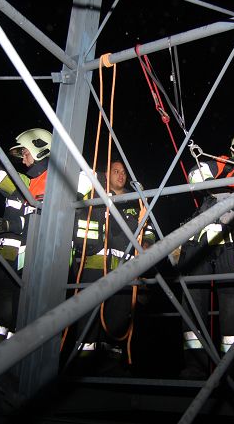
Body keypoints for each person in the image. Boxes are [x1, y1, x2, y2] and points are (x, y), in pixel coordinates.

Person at [69, 159, 156, 376]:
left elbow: (150, 229)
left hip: (125, 273)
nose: (120, 175)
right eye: (115, 171)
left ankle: (112, 368)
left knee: (118, 319)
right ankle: (82, 367)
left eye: (123, 172)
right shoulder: (94, 195)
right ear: (106, 174)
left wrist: (148, 243)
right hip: (94, 267)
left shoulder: (136, 201)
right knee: (88, 317)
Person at [177, 128, 234, 380]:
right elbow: (195, 173)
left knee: (231, 300)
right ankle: (195, 365)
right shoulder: (224, 163)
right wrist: (213, 185)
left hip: (232, 242)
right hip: (199, 242)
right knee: (193, 299)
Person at [0, 128, 53, 345]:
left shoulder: (53, 185)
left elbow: (38, 221)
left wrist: (7, 224)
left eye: (25, 152)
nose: (23, 158)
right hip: (6, 258)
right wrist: (20, 188)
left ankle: (8, 356)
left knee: (17, 314)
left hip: (28, 260)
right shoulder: (23, 182)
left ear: (39, 150)